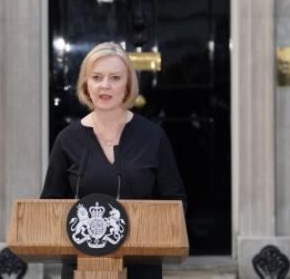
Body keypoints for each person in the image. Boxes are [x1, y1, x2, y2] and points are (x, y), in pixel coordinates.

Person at [41, 42, 187, 279]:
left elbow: (176, 202)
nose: (105, 86)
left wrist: (144, 230)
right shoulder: (67, 139)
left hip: (141, 266)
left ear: (127, 85)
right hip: (81, 267)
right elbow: (49, 205)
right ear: (86, 84)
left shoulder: (153, 136)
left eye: (115, 78)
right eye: (97, 77)